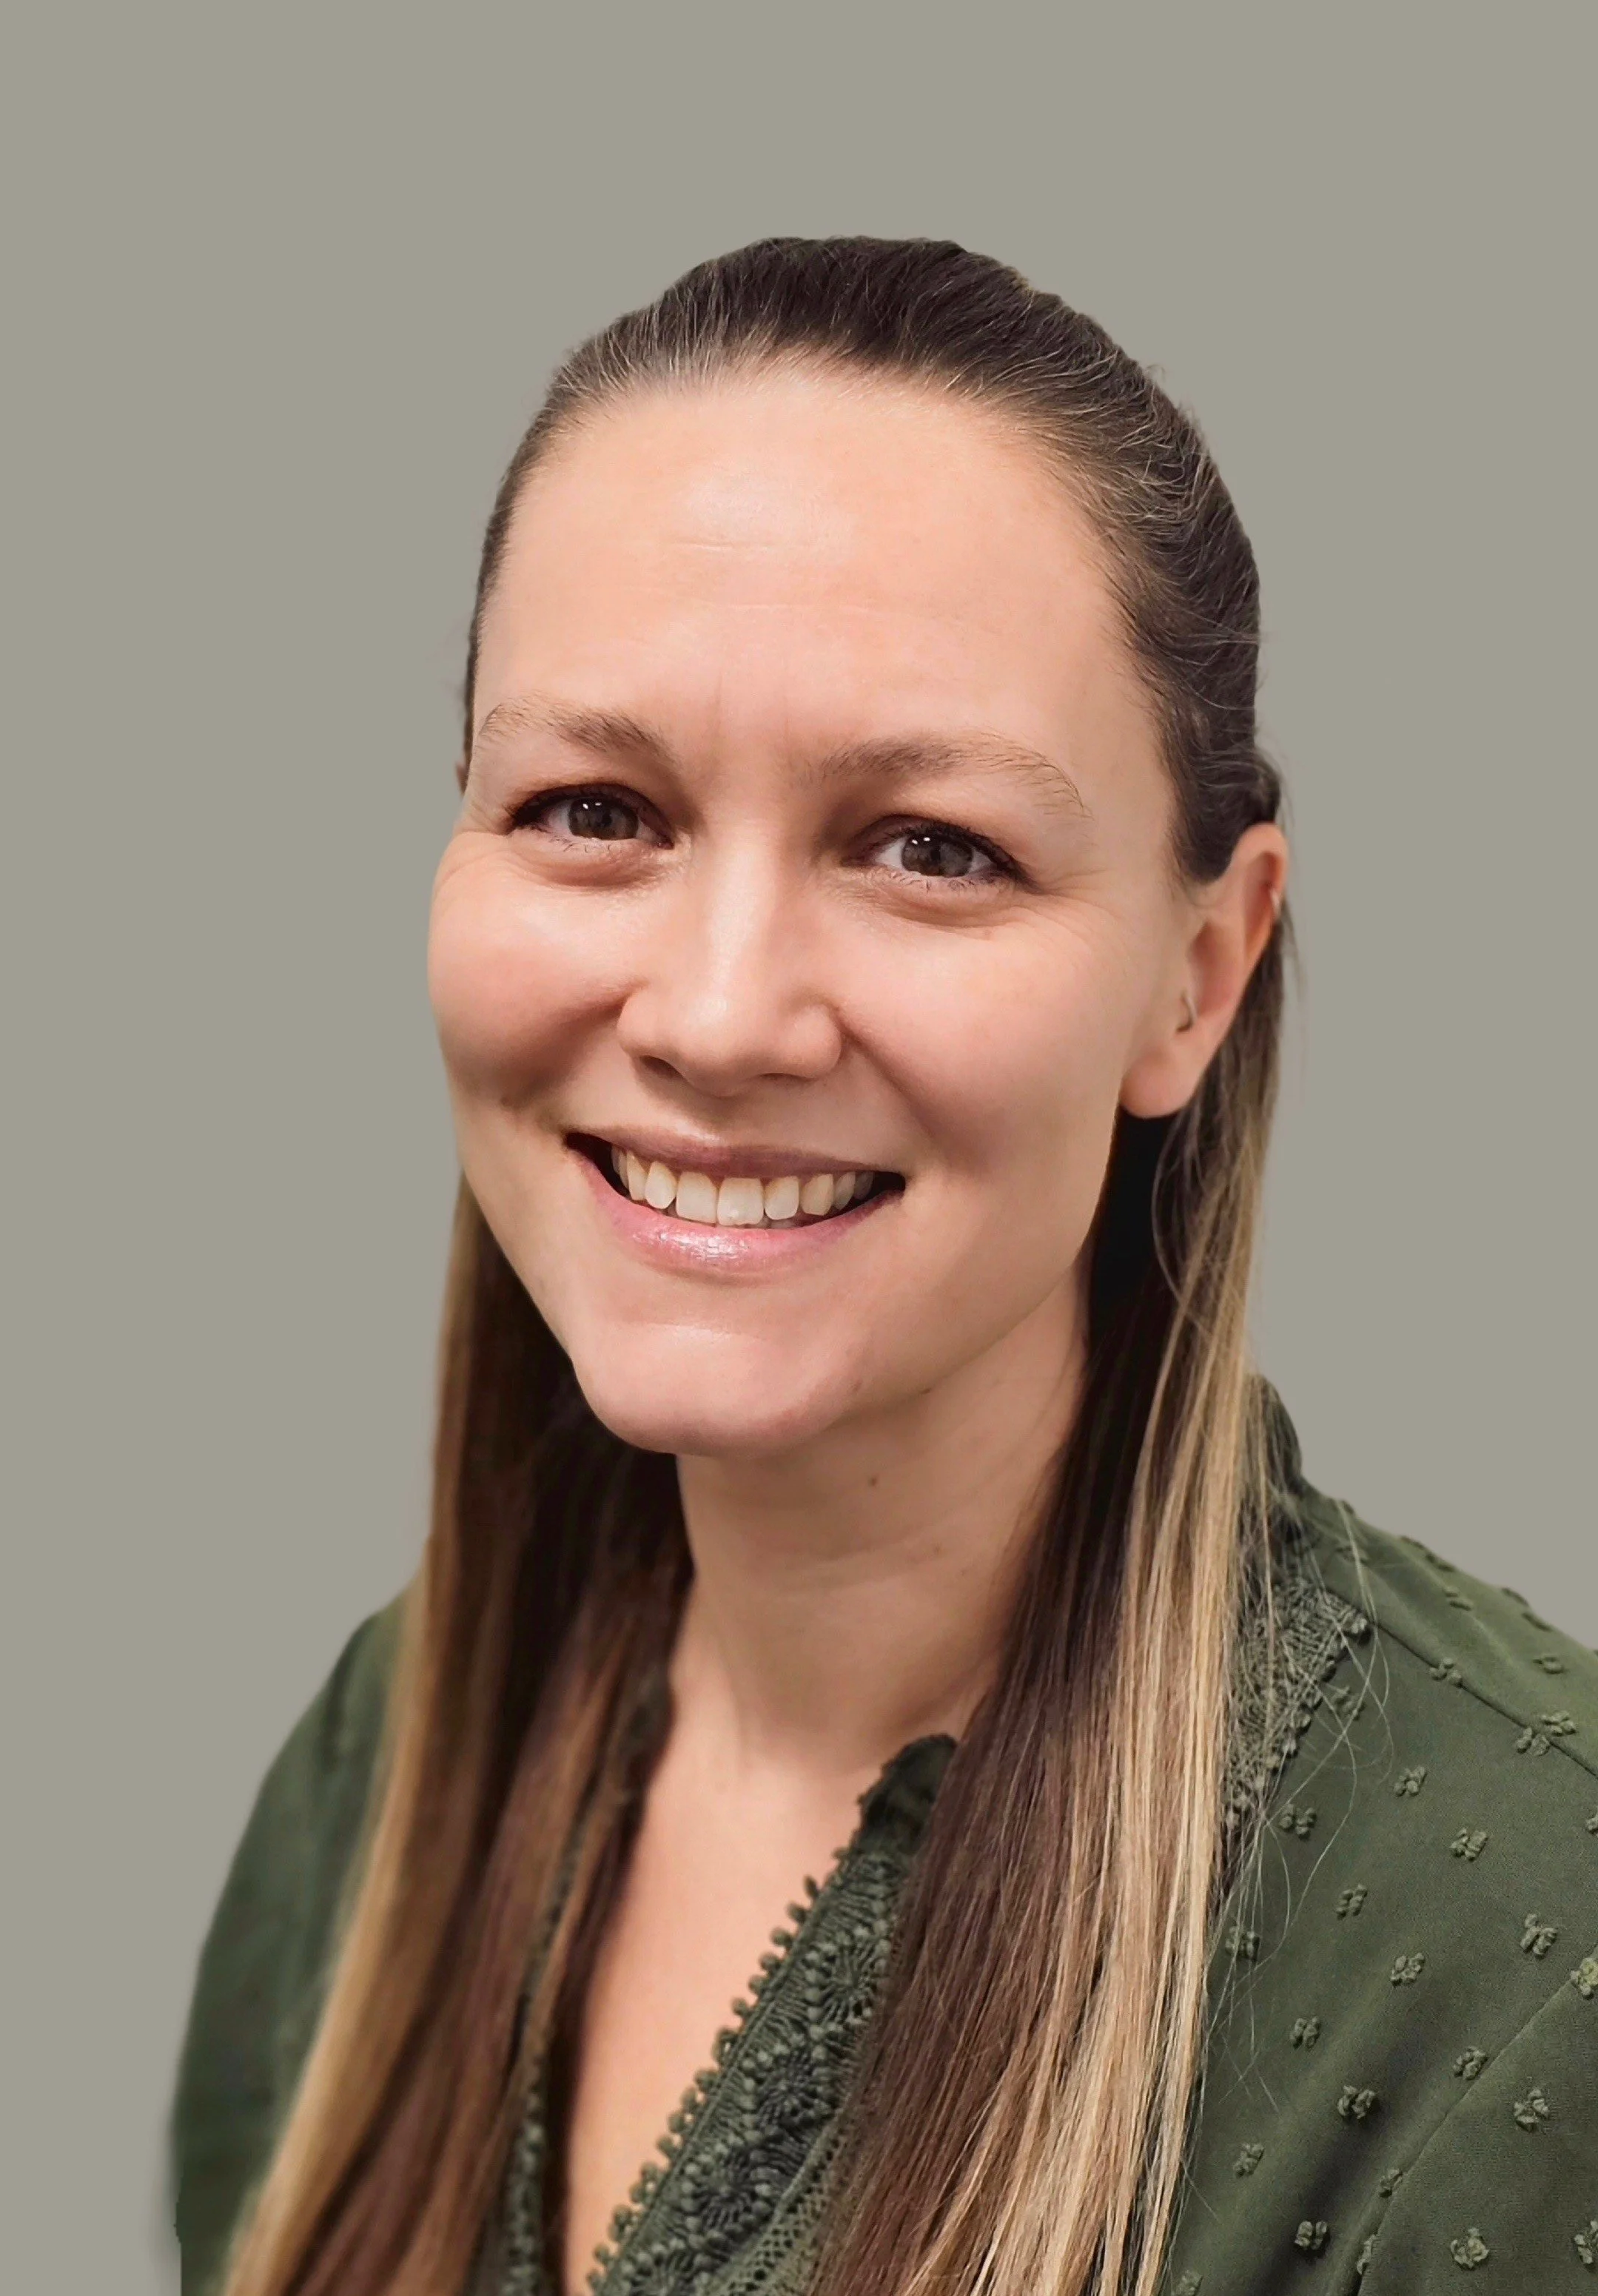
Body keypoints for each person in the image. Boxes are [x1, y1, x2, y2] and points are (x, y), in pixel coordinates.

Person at [169, 238, 1598, 2296]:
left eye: (931, 845)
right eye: (593, 806)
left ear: (1199, 974)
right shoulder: (368, 1776)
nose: (726, 1014)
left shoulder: (1532, 1964)